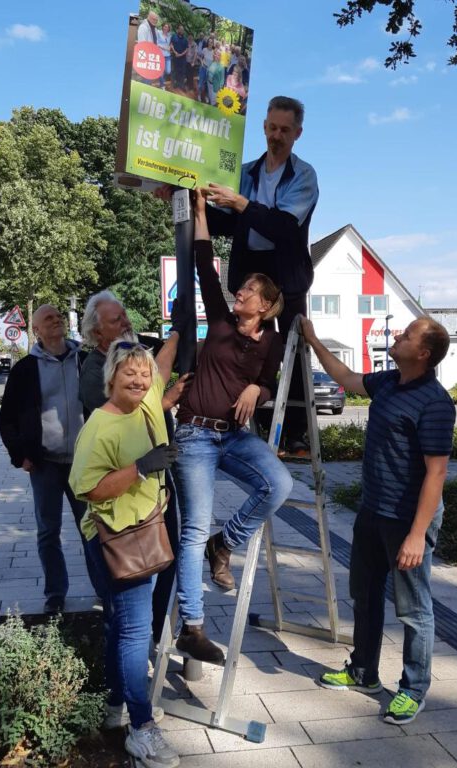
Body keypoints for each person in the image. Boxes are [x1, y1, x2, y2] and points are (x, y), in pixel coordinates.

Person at [302, 316, 456, 725]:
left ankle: (413, 689)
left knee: (413, 608)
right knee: (365, 594)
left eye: (406, 335)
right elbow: (348, 377)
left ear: (422, 353)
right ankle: (364, 672)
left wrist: (417, 535)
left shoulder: (436, 402)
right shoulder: (388, 382)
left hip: (407, 521)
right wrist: (313, 340)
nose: (396, 335)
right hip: (372, 512)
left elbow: (436, 473)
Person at [173, 190, 293, 665]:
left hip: (234, 435)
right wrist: (201, 212)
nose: (238, 293)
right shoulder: (221, 322)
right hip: (196, 436)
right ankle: (193, 627)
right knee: (192, 527)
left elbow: (267, 385)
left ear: (263, 306)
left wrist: (256, 394)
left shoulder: (274, 343)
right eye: (239, 289)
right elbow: (205, 263)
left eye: (247, 291)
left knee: (279, 483)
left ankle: (224, 544)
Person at [70, 341, 180, 768]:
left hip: (143, 532)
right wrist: (140, 467)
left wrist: (183, 324)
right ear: (110, 378)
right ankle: (141, 729)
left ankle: (115, 705)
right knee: (135, 632)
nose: (137, 380)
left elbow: (164, 363)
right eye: (128, 374)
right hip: (118, 540)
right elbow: (89, 489)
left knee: (122, 626)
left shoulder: (146, 408)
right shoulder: (101, 426)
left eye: (143, 374)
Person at [203, 96, 319, 451]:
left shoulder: (303, 176)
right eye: (271, 128)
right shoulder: (246, 172)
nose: (276, 135)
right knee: (248, 345)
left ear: (298, 133)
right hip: (250, 270)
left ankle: (296, 431)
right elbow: (228, 223)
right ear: (263, 127)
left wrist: (240, 204)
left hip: (286, 275)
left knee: (293, 348)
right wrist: (187, 201)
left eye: (285, 130)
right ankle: (251, 419)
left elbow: (282, 227)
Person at [78, 290, 190, 643]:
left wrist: (175, 337)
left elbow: (156, 380)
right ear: (98, 333)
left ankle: (152, 633)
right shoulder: (95, 371)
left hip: (151, 488)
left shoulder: (132, 349)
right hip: (123, 499)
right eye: (116, 320)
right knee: (129, 592)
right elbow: (144, 393)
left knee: (165, 558)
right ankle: (133, 647)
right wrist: (165, 396)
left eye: (124, 315)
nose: (126, 323)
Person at [0, 304, 97, 615]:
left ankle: (103, 586)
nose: (55, 321)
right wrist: (21, 456)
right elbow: (8, 418)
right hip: (45, 464)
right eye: (47, 319)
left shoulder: (85, 360)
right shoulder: (25, 369)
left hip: (85, 463)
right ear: (36, 331)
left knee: (92, 528)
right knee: (47, 530)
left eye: (58, 317)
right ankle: (55, 592)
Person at [170, 24, 188, 91]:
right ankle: (176, 84)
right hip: (175, 57)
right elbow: (171, 45)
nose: (182, 30)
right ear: (178, 30)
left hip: (182, 58)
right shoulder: (174, 36)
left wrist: (181, 54)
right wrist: (175, 52)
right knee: (175, 71)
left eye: (183, 29)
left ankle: (182, 85)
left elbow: (186, 49)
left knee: (182, 72)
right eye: (180, 29)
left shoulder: (185, 39)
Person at [157, 22, 172, 89]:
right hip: (160, 54)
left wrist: (170, 47)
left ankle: (162, 80)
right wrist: (164, 48)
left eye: (167, 27)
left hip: (168, 55)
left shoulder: (170, 35)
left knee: (168, 71)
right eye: (165, 26)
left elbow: (171, 44)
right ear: (162, 27)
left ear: (169, 29)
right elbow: (157, 43)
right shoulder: (158, 33)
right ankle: (162, 85)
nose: (166, 28)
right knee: (161, 71)